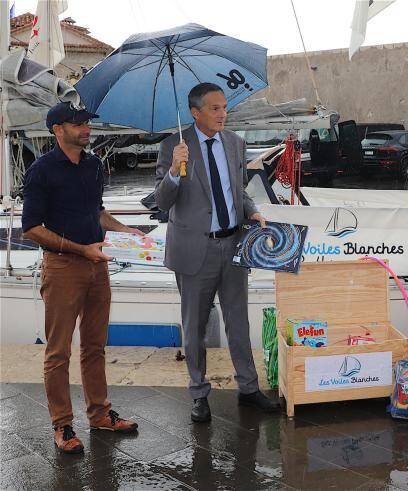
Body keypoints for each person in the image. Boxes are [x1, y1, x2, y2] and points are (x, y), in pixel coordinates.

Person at [21, 102, 142, 454]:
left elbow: (98, 212)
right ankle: (62, 425)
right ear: (58, 129)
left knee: (95, 346)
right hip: (62, 268)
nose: (86, 128)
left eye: (87, 122)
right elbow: (31, 228)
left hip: (97, 265)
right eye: (78, 124)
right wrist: (79, 249)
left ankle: (100, 415)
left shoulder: (93, 165)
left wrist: (125, 230)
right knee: (57, 352)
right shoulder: (41, 171)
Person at [155, 82, 279, 423]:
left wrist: (252, 210)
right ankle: (198, 393)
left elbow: (237, 192)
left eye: (225, 107)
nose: (223, 114)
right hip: (195, 249)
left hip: (234, 243)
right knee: (194, 326)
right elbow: (162, 202)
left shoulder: (235, 143)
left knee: (238, 321)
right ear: (196, 113)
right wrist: (173, 172)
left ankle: (249, 388)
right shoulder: (173, 147)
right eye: (215, 108)